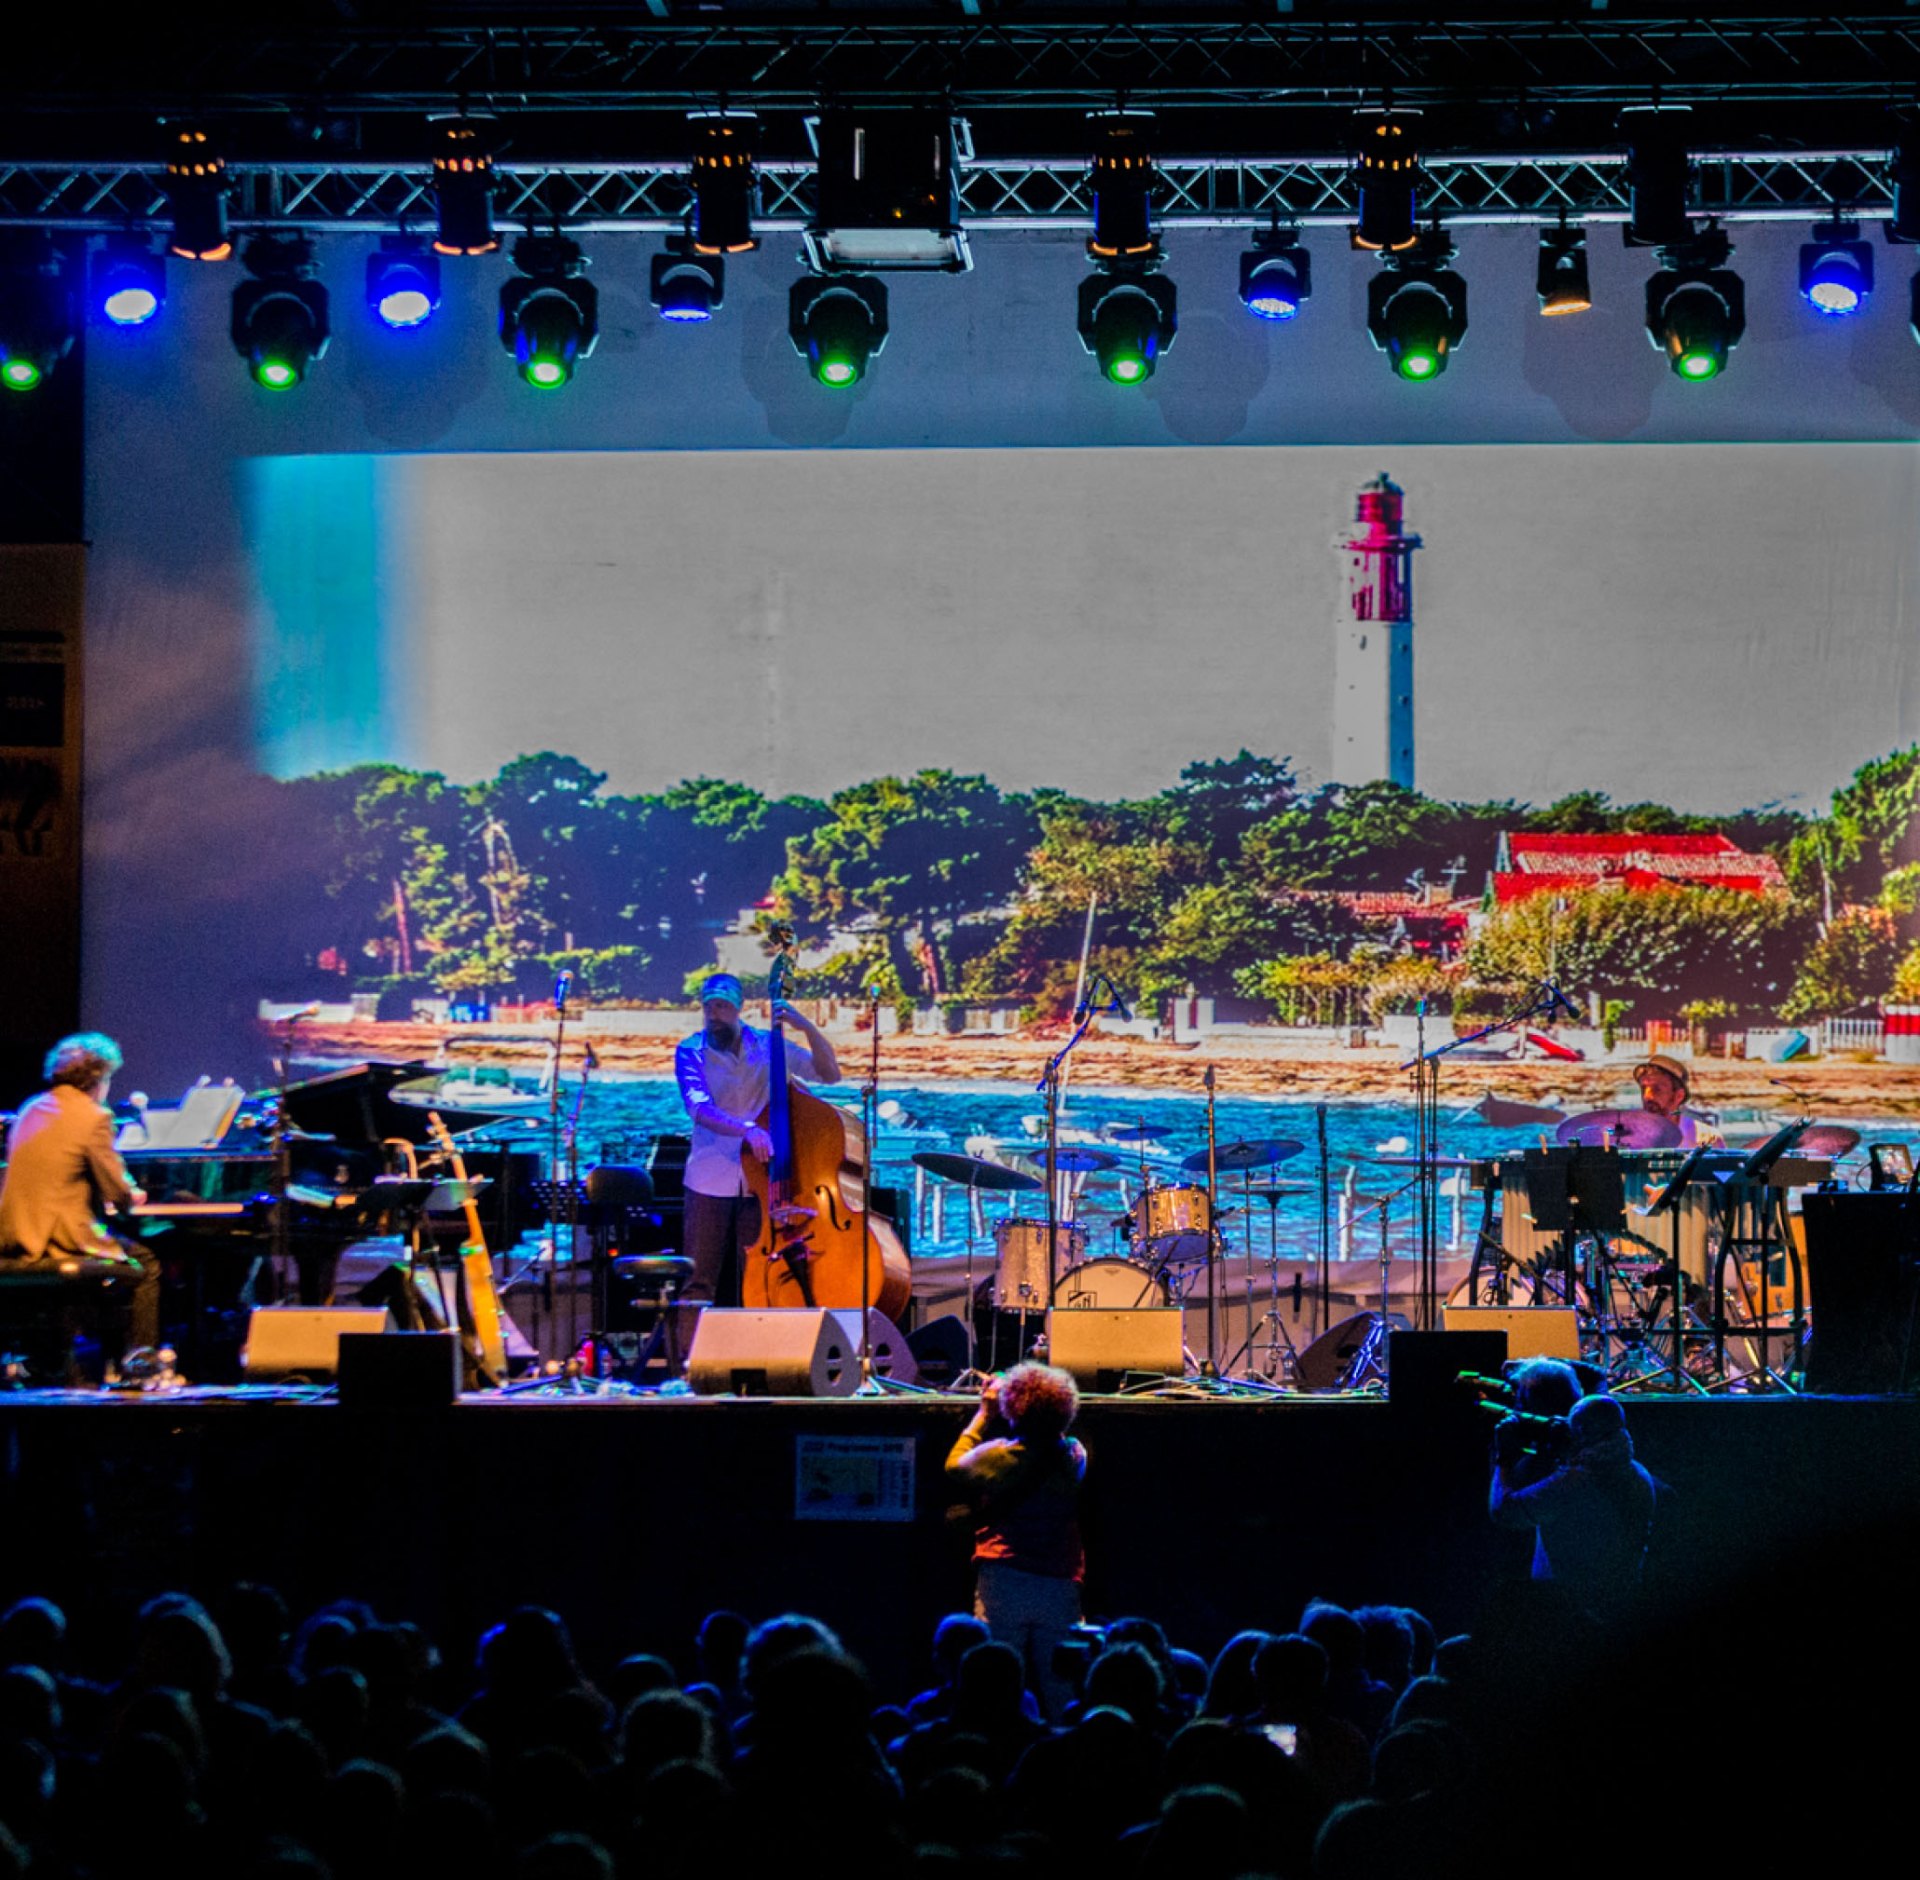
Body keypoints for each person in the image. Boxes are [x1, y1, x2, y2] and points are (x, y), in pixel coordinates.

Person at [672, 972, 842, 1305]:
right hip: (709, 1178)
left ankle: (757, 1353)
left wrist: (806, 1027)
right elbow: (699, 1107)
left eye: (722, 1006)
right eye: (709, 1007)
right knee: (698, 1280)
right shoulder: (690, 1050)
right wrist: (747, 1129)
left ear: (738, 1008)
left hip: (762, 1182)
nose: (714, 1014)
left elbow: (829, 1074)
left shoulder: (768, 1045)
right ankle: (689, 1355)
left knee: (759, 1274)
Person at [0, 1032, 160, 1360]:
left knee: (115, 1257)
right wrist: (135, 1194)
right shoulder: (94, 1116)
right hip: (62, 1239)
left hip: (15, 1236)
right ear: (99, 1078)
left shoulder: (31, 1108)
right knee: (145, 1264)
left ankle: (97, 1363)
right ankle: (141, 1365)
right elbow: (120, 1193)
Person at [945, 1362, 1088, 1721]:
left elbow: (954, 1466)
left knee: (993, 1683)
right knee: (1062, 1687)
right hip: (1059, 1582)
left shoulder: (999, 1457)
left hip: (1004, 1579)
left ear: (1015, 1409)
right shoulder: (1075, 1454)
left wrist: (984, 1413)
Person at [1490, 1389, 1657, 1623]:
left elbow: (1505, 1512)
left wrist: (1504, 1458)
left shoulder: (1577, 1483)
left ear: (1581, 1434)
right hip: (1616, 1607)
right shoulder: (1638, 1473)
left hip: (1568, 1611)